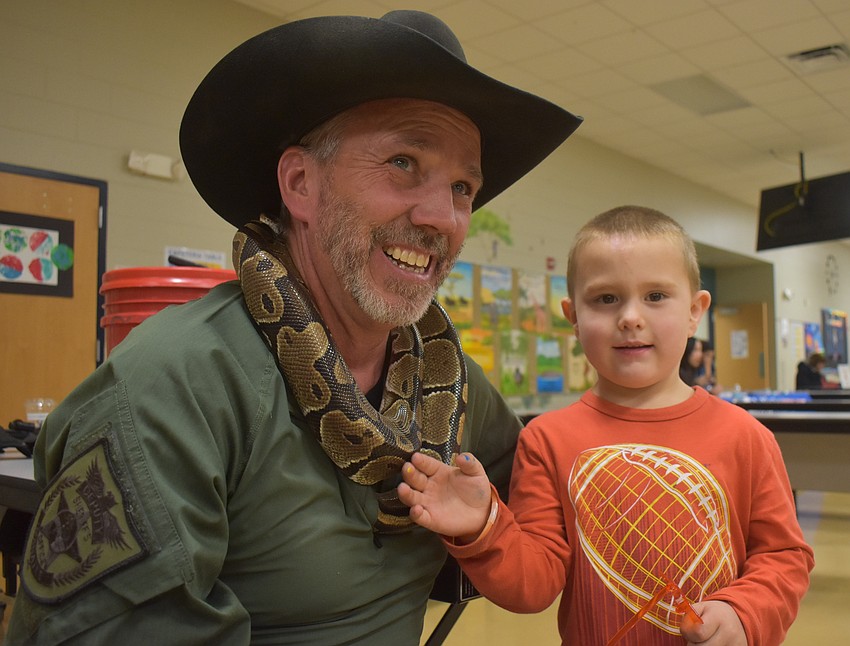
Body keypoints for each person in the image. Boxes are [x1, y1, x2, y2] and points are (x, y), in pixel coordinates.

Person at [7, 11, 582, 645]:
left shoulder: (454, 379)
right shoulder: (174, 385)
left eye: (463, 187)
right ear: (301, 185)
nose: (441, 217)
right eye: (402, 162)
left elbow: (547, 513)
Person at [399, 206, 814, 645]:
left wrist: (744, 612)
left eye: (656, 296)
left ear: (696, 311)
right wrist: (482, 526)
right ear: (573, 316)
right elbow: (534, 585)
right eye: (606, 299)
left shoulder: (746, 436)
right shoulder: (546, 440)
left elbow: (784, 557)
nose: (630, 317)